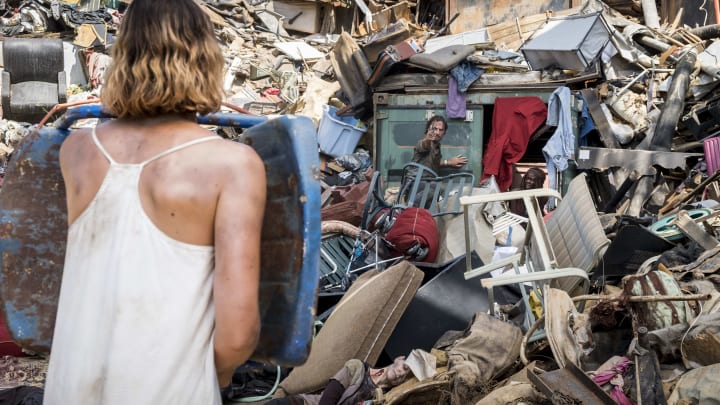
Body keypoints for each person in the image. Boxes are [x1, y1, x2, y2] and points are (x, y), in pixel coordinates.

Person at [43, 0, 266, 403]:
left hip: (70, 390)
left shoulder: (75, 151)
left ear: (122, 58)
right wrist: (212, 378)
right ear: (205, 59)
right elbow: (237, 334)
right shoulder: (232, 164)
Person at [266, 357, 411, 405]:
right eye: (405, 367)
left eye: (406, 375)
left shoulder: (385, 398)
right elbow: (329, 397)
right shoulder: (357, 367)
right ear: (398, 359)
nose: (401, 373)